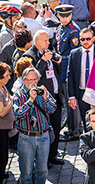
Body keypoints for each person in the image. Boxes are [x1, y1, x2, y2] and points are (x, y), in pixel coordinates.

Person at [12, 66, 57, 184]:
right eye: (29, 80)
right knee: (26, 171)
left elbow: (53, 108)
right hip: (26, 137)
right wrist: (30, 100)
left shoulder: (43, 91)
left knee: (42, 170)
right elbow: (18, 113)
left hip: (43, 136)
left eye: (35, 79)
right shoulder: (18, 95)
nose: (33, 83)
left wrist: (44, 98)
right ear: (23, 80)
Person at [23, 31, 67, 165]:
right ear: (37, 41)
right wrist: (42, 61)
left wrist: (58, 63)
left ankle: (53, 154)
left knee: (56, 125)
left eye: (49, 40)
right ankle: (43, 158)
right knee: (43, 129)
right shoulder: (29, 56)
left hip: (55, 96)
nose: (49, 43)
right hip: (40, 101)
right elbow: (32, 77)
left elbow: (57, 73)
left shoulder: (49, 51)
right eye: (46, 40)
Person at [67, 26, 95, 139]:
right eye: (82, 39)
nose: (85, 42)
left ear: (93, 39)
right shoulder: (74, 53)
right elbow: (70, 75)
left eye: (88, 39)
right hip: (82, 92)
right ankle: (89, 142)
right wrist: (71, 96)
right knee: (86, 120)